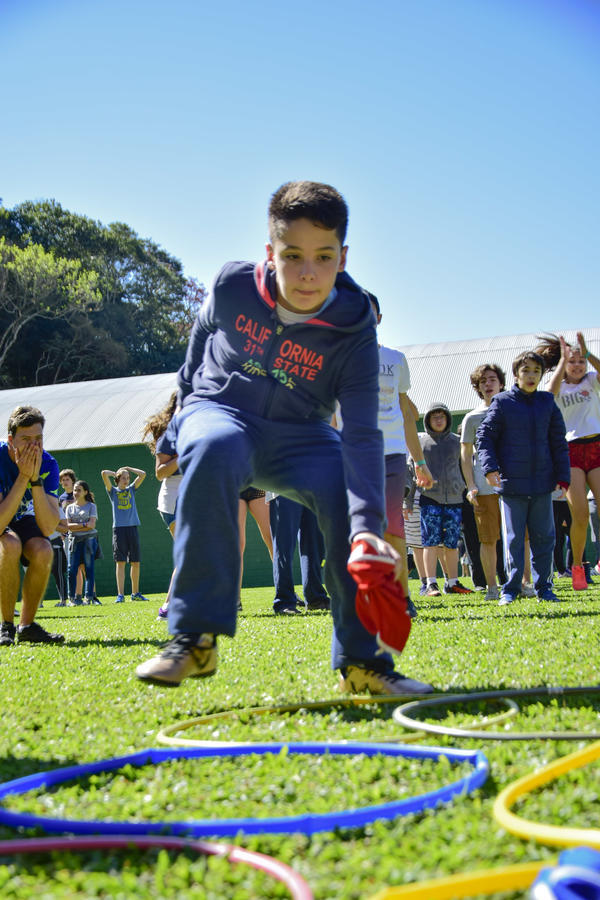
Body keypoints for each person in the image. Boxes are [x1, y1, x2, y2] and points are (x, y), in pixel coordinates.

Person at [136, 180, 433, 696]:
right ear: (269, 251)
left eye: (323, 256)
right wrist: (186, 404)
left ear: (343, 257)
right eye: (292, 255)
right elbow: (200, 338)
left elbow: (362, 431)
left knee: (345, 488)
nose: (307, 273)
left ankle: (362, 663)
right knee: (211, 447)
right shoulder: (233, 286)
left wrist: (367, 527)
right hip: (222, 411)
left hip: (303, 432)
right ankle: (194, 638)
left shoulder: (354, 320)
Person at [477, 350, 570, 606]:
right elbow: (485, 438)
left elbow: (559, 443)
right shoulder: (502, 402)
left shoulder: (547, 402)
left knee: (545, 538)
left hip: (542, 483)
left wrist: (564, 477)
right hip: (512, 484)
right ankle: (511, 589)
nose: (531, 376)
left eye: (536, 372)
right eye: (526, 371)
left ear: (542, 375)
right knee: (515, 539)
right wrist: (489, 468)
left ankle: (544, 588)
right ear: (516, 374)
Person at [367, 293, 433, 616]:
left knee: (393, 526)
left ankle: (402, 597)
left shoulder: (395, 359)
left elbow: (407, 414)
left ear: (379, 319)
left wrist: (419, 462)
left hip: (392, 453)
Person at [536, 332, 600, 591]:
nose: (578, 366)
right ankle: (577, 566)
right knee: (580, 516)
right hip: (571, 451)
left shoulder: (593, 380)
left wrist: (588, 354)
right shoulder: (558, 386)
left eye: (580, 362)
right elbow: (549, 394)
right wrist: (563, 362)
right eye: (572, 362)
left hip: (596, 446)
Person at [0, 406, 65, 646]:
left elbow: (48, 528)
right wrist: (22, 477)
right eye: (25, 439)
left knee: (44, 550)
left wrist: (34, 478)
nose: (33, 446)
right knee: (10, 544)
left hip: (22, 517)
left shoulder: (48, 463)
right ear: (11, 441)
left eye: (38, 439)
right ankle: (6, 625)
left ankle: (26, 626)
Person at [460, 364, 506, 601]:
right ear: (478, 388)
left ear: (501, 383)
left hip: (515, 486)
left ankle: (526, 584)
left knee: (524, 536)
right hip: (484, 487)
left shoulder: (514, 410)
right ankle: (491, 587)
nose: (488, 384)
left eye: (492, 379)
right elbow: (466, 455)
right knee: (488, 538)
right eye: (483, 381)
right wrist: (470, 485)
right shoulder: (472, 417)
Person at [418, 404, 473, 597]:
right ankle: (430, 584)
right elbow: (412, 467)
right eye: (435, 417)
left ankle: (452, 582)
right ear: (428, 420)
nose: (439, 420)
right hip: (430, 497)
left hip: (454, 499)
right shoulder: (422, 443)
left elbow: (466, 465)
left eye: (442, 416)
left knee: (452, 543)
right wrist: (409, 498)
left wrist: (464, 486)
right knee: (430, 542)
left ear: (448, 419)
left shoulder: (457, 442)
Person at [268, 494, 329, 615]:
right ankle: (284, 602)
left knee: (315, 545)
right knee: (283, 547)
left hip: (313, 487)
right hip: (282, 484)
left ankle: (316, 600)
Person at [101, 465, 148, 603]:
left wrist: (128, 468)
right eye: (123, 478)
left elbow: (143, 474)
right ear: (117, 479)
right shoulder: (112, 491)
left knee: (135, 562)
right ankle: (120, 595)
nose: (126, 480)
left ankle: (135, 593)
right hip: (119, 530)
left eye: (128, 478)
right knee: (120, 562)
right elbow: (104, 472)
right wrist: (116, 472)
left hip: (132, 528)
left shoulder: (132, 490)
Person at [65, 480, 98, 605]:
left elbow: (92, 525)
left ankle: (89, 598)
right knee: (71, 570)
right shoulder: (69, 508)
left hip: (89, 540)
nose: (76, 493)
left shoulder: (91, 506)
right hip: (74, 541)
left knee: (89, 569)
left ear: (85, 492)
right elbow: (68, 526)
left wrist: (78, 525)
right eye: (74, 490)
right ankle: (72, 599)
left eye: (79, 490)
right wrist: (84, 524)